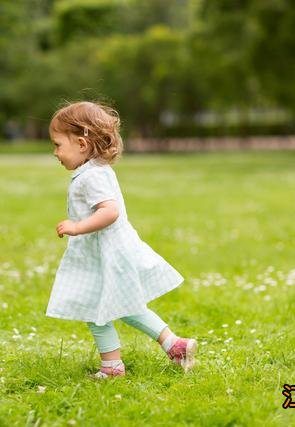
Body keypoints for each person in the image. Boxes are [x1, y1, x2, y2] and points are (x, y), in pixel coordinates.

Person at [45, 101, 197, 378]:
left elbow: (110, 211)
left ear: (81, 143)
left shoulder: (91, 177)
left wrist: (78, 227)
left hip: (105, 254)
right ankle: (175, 345)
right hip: (106, 251)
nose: (55, 152)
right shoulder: (95, 171)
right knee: (126, 305)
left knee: (93, 306)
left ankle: (112, 367)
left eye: (57, 145)